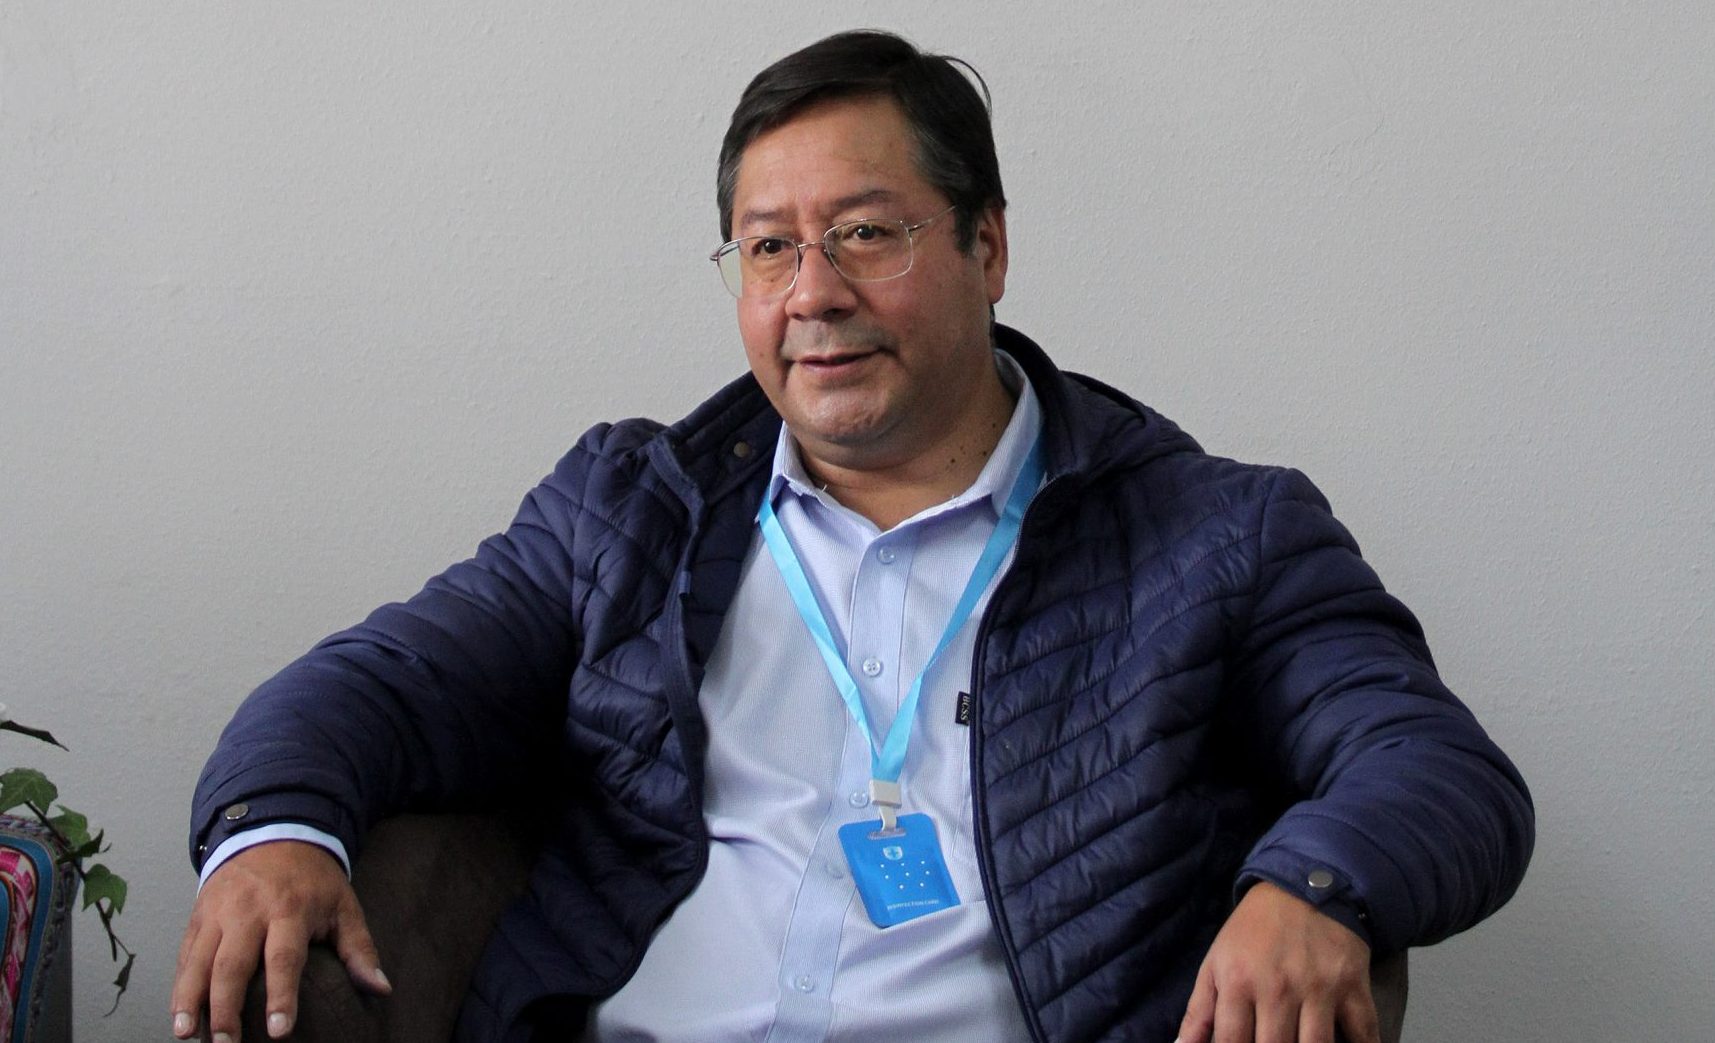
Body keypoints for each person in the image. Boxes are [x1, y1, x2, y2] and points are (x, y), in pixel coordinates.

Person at [173, 29, 1533, 1043]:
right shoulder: (631, 512)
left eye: (867, 233)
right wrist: (273, 831)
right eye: (769, 248)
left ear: (988, 249)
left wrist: (1317, 887)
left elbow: (1435, 766)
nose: (813, 292)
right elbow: (385, 682)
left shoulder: (1214, 535)